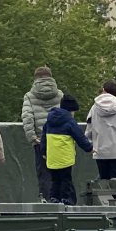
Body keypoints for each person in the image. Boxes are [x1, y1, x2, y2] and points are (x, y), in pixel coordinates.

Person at [21, 67, 65, 201]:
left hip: (41, 140)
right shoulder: (60, 95)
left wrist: (32, 138)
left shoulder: (29, 96)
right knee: (60, 171)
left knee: (43, 172)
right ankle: (61, 197)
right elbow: (67, 115)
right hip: (59, 138)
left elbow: (27, 117)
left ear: (36, 78)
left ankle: (46, 198)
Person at [43, 94, 92, 205]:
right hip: (65, 157)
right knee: (66, 179)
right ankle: (66, 199)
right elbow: (80, 137)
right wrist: (89, 148)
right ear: (71, 110)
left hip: (52, 156)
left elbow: (43, 137)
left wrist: (43, 151)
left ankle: (54, 197)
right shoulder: (70, 122)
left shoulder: (49, 121)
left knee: (55, 179)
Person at [84, 80, 116, 180]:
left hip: (100, 151)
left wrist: (90, 146)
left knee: (103, 184)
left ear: (103, 90)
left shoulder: (94, 108)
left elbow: (89, 128)